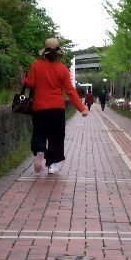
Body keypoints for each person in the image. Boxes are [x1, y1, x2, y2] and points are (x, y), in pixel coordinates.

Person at [24, 38, 88, 175]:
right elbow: (70, 91)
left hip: (39, 107)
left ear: (44, 52)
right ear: (58, 53)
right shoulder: (63, 69)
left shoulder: (36, 65)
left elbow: (30, 83)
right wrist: (81, 108)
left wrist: (24, 79)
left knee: (39, 132)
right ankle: (52, 165)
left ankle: (41, 151)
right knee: (56, 137)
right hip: (57, 109)